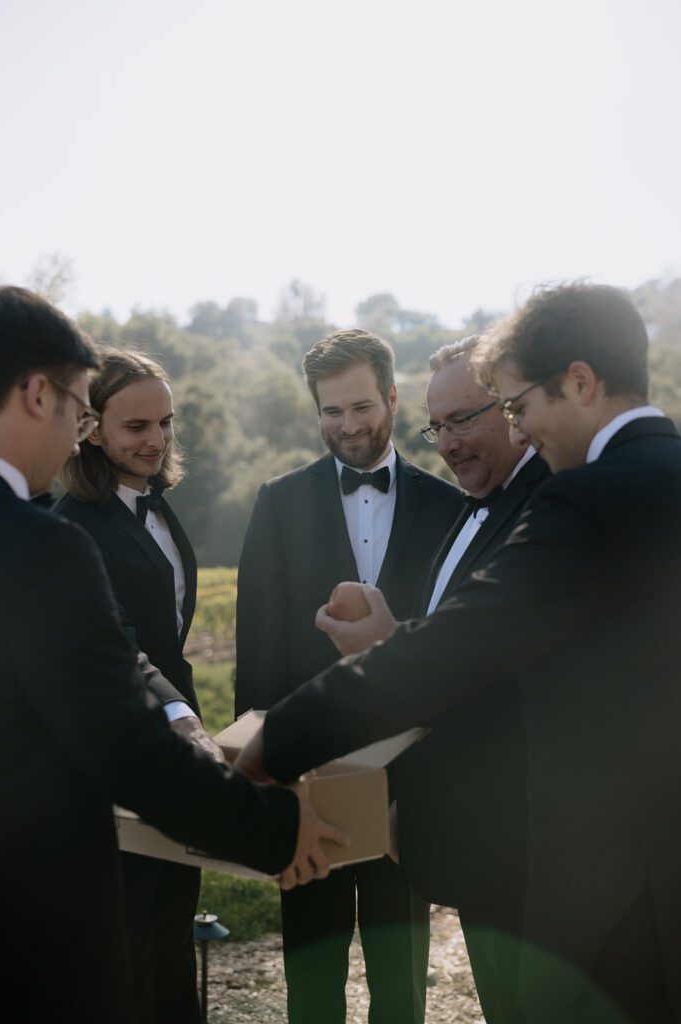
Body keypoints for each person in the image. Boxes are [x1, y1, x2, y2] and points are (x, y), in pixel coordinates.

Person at [237, 283, 681, 1023]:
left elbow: (452, 650)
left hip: (603, 865)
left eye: (517, 406)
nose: (521, 427)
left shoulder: (583, 499)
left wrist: (275, 743)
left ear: (578, 381)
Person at [0, 286, 344, 1024]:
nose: (75, 432)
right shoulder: (43, 545)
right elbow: (122, 743)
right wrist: (271, 828)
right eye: (77, 411)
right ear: (36, 394)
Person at [235, 327, 463, 1024]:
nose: (346, 425)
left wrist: (429, 788)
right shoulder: (277, 503)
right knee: (312, 976)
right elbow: (259, 655)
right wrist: (277, 788)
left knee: (402, 984)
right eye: (330, 411)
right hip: (310, 782)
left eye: (361, 407)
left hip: (408, 785)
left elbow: (456, 657)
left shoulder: (450, 508)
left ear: (392, 399)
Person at [324, 334, 548, 1022]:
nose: (446, 444)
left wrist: (389, 646)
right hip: (475, 834)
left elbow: (513, 677)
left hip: (532, 840)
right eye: (437, 426)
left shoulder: (548, 513)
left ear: (514, 409)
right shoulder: (471, 511)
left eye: (465, 419)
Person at [58, 349, 210, 1024]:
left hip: (181, 744)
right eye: (136, 426)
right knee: (130, 939)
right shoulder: (70, 529)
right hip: (119, 759)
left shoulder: (161, 509)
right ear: (90, 428)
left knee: (174, 922)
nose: (155, 440)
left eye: (166, 423)